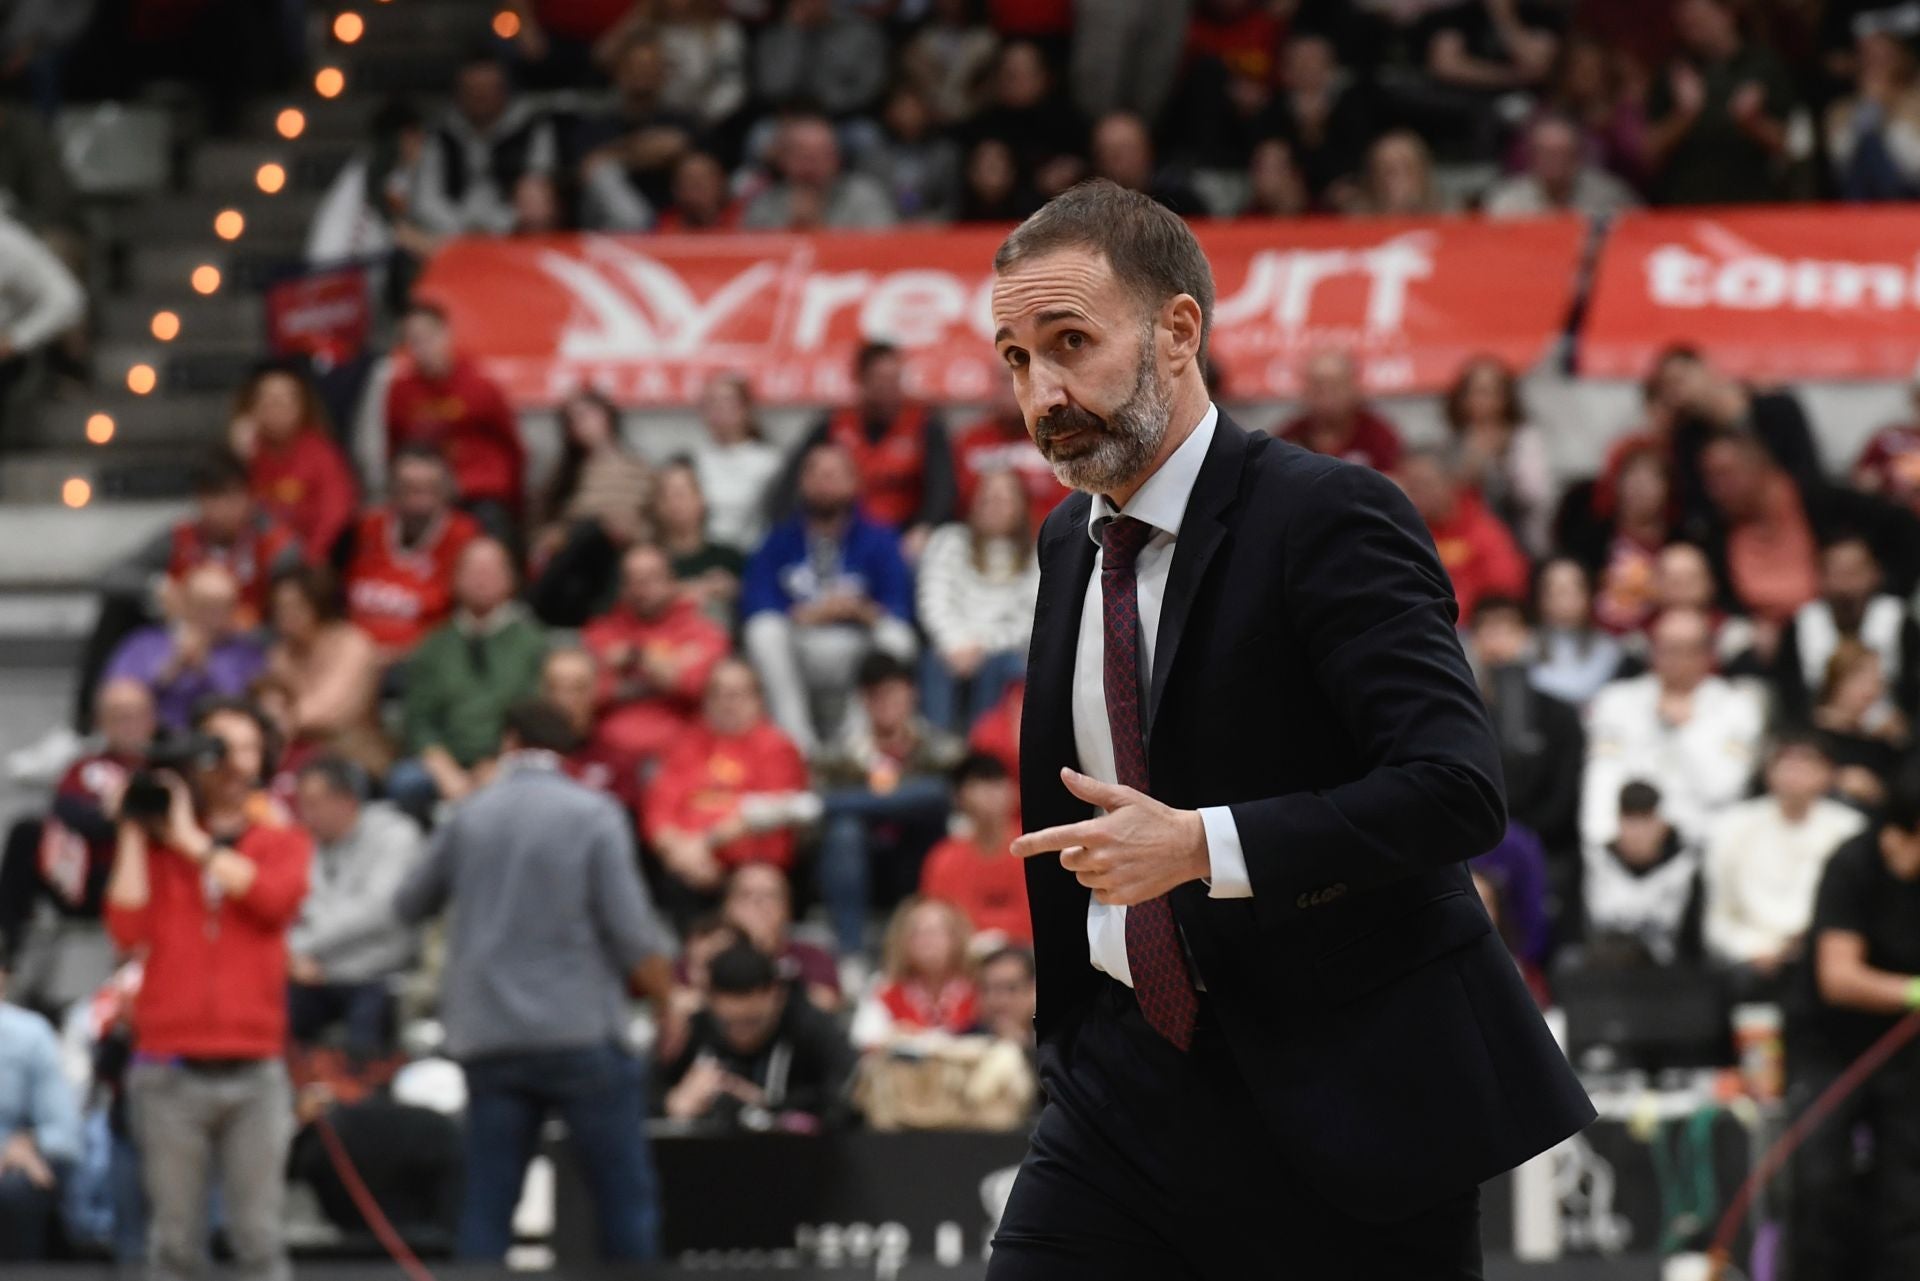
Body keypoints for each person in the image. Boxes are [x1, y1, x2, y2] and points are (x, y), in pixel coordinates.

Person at [985, 180, 1590, 1279]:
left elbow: (1455, 788)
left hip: (1342, 1081)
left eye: (1070, 341)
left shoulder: (1328, 515)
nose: (1043, 392)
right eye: (1017, 358)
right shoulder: (1068, 544)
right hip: (1121, 1079)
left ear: (1179, 331)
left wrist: (1203, 846)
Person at [394, 699, 676, 1263]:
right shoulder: (594, 814)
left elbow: (408, 903)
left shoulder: (471, 814)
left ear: (508, 742)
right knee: (623, 1199)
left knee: (487, 1206)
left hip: (491, 1037)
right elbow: (630, 932)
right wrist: (669, 1003)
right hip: (581, 1035)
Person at [105, 698, 313, 1281]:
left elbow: (273, 900)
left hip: (254, 1068)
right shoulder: (155, 842)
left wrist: (188, 838)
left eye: (246, 748)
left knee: (258, 1238)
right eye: (218, 747)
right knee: (173, 1244)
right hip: (170, 1065)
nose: (231, 763)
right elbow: (126, 928)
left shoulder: (281, 838)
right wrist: (133, 827)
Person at [1787, 765, 1920, 1281]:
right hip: (1830, 1045)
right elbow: (1838, 977)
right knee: (1821, 1178)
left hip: (1904, 1050)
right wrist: (1912, 991)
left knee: (1906, 1188)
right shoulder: (1852, 864)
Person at [742, 441, 918, 756]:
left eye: (834, 474)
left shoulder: (880, 537)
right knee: (762, 630)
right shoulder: (779, 539)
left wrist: (859, 610)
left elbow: (899, 606)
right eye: (816, 474)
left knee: (899, 637)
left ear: (854, 482)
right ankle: (796, 745)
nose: (825, 482)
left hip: (857, 644)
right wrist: (809, 614)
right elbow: (756, 601)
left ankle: (854, 745)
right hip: (802, 643)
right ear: (802, 482)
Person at [0, 679, 154, 1006]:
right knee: (27, 832)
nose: (128, 725)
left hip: (150, 881)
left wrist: (121, 814)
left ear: (151, 718)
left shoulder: (166, 766)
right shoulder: (87, 767)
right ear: (101, 722)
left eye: (134, 715)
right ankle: (8, 955)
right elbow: (65, 811)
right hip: (89, 877)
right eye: (117, 716)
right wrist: (122, 815)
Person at [812, 653, 963, 956]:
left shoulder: (940, 749)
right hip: (863, 863)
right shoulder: (839, 757)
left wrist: (850, 802)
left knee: (931, 798)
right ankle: (850, 953)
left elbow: (946, 795)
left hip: (920, 855)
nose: (886, 703)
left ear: (912, 694)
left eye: (893, 692)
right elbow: (816, 811)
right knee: (844, 831)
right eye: (876, 696)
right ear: (863, 701)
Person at [1581, 606, 1765, 853]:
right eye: (1667, 648)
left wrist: (1685, 729)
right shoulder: (1616, 700)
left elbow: (1724, 786)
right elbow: (1602, 776)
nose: (1676, 659)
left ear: (1707, 654)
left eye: (1688, 650)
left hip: (1704, 844)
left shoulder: (1738, 707)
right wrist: (1604, 839)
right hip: (1625, 845)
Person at [393, 539, 548, 815]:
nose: (481, 580)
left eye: (490, 571)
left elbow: (535, 713)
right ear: (455, 580)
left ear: (510, 579)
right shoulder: (434, 645)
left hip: (510, 758)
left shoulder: (533, 644)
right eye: (473, 571)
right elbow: (418, 719)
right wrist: (443, 769)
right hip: (443, 763)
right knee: (406, 783)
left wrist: (497, 762)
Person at [643, 659, 814, 908]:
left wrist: (703, 845)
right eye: (718, 693)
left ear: (758, 700)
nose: (727, 703)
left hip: (752, 866)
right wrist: (680, 853)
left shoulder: (777, 747)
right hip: (689, 864)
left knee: (755, 887)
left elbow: (766, 812)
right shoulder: (685, 742)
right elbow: (659, 812)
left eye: (737, 694)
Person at [288, 757, 424, 1061]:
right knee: (275, 1017)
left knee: (365, 1045)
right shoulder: (303, 841)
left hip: (378, 975)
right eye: (302, 804)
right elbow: (295, 906)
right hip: (315, 975)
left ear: (346, 800)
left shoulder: (396, 835)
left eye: (314, 803)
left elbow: (377, 911)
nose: (305, 814)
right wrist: (291, 958)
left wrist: (294, 948)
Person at [1704, 734, 1865, 986]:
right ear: (1768, 771)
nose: (1795, 773)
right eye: (1786, 763)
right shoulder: (1731, 826)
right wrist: (1753, 949)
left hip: (1824, 952)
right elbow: (1719, 915)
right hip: (1750, 959)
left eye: (1807, 764)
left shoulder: (1851, 829)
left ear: (1828, 774)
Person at [774, 342, 958, 549]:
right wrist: (788, 526)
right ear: (861, 380)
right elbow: (792, 480)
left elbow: (943, 488)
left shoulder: (925, 424)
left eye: (894, 379)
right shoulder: (834, 425)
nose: (888, 389)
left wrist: (925, 527)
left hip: (905, 535)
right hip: (844, 536)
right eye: (880, 380)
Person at [659, 940, 855, 1131]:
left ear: (776, 996)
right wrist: (672, 1102)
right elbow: (642, 1091)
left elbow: (845, 1097)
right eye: (728, 1023)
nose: (740, 1034)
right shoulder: (694, 1028)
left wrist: (765, 1103)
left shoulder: (810, 1026)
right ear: (710, 1001)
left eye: (752, 1021)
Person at [384, 301, 527, 541]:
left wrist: (513, 502)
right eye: (414, 341)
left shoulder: (480, 385)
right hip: (423, 494)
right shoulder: (400, 392)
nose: (422, 348)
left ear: (446, 335)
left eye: (428, 336)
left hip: (479, 493)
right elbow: (395, 451)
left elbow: (511, 448)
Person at [581, 542, 731, 767]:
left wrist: (635, 656)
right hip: (609, 756)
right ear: (622, 588)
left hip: (681, 756)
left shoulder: (703, 631)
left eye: (652, 578)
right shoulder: (600, 632)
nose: (642, 588)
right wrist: (664, 672)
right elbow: (585, 692)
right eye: (633, 580)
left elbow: (695, 685)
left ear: (672, 582)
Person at [917, 470, 1040, 731]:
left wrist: (983, 647)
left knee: (1002, 665)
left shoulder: (1037, 555)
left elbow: (1032, 618)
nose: (994, 506)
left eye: (1003, 499)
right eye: (987, 498)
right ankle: (940, 746)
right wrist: (955, 643)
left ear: (1021, 506)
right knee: (933, 660)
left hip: (1005, 651)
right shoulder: (948, 540)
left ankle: (983, 744)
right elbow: (934, 600)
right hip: (952, 646)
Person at [1467, 598, 1584, 860]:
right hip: (1475, 847)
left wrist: (1520, 841)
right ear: (1473, 640)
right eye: (1487, 629)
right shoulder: (1461, 713)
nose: (1497, 641)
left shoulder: (1558, 714)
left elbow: (1564, 795)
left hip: (1545, 848)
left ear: (1527, 637)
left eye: (1507, 628)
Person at [1645, 0, 1793, 206]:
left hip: (1752, 203)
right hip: (1685, 204)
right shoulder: (1675, 69)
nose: (1691, 28)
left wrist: (1753, 122)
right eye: (1686, 23)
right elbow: (1649, 150)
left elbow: (1788, 146)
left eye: (1699, 19)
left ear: (1727, 14)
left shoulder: (1763, 67)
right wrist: (1684, 115)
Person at [343, 447, 482, 664]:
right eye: (409, 488)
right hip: (353, 655)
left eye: (429, 489)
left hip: (424, 662)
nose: (418, 500)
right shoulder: (366, 528)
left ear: (446, 491)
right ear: (392, 490)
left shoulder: (463, 537)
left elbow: (473, 616)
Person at [1774, 535, 1920, 730]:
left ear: (1875, 573)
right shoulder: (1801, 624)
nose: (1846, 585)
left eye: (1854, 572)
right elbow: (1789, 697)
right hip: (1822, 732)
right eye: (1837, 573)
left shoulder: (1899, 621)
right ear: (1819, 577)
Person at [104, 564, 267, 733]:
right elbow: (115, 699)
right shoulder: (144, 643)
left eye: (222, 606)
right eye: (204, 605)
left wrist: (205, 670)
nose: (213, 616)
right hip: (153, 745)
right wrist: (171, 668)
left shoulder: (247, 653)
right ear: (185, 603)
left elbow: (252, 710)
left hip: (219, 745)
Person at [413, 49, 559, 236]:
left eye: (489, 90)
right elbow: (426, 198)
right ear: (459, 93)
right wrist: (461, 230)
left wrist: (497, 227)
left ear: (504, 90)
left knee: (536, 196)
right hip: (450, 235)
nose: (481, 98)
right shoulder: (440, 134)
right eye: (473, 91)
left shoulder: (530, 128)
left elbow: (539, 184)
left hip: (513, 230)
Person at [229, 365, 359, 565]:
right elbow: (229, 515)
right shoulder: (244, 452)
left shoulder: (321, 452)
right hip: (251, 561)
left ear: (302, 406)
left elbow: (335, 512)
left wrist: (311, 559)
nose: (275, 408)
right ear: (251, 406)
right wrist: (238, 460)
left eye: (284, 400)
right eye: (267, 400)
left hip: (308, 560)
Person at [264, 566, 385, 776]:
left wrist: (275, 722)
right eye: (279, 607)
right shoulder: (281, 653)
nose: (284, 615)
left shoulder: (352, 644)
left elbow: (331, 711)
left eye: (293, 606)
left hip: (351, 752)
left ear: (318, 604)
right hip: (293, 750)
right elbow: (268, 700)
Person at [1392, 445, 1532, 626]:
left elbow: (1506, 588)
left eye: (1424, 484)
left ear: (1450, 481)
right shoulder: (1401, 533)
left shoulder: (1483, 529)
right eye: (1409, 487)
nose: (1416, 495)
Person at [165, 451, 303, 629]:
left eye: (231, 497)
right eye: (212, 498)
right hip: (188, 640)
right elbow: (120, 575)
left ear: (251, 498)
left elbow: (295, 622)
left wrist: (235, 632)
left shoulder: (277, 547)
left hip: (257, 647)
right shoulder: (181, 537)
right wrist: (159, 588)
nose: (221, 510)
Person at [576, 32, 697, 229]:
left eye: (649, 67)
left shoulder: (680, 120)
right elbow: (589, 169)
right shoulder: (597, 125)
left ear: (662, 74)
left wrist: (617, 155)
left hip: (671, 225)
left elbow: (672, 145)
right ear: (619, 72)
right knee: (602, 174)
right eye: (634, 67)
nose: (641, 74)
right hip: (610, 229)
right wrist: (644, 152)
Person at [0, 971, 80, 1261]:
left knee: (16, 1190)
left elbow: (65, 1132)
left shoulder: (29, 1034)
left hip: (13, 1164)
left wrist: (24, 1144)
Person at [1581, 781, 1704, 967]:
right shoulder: (1596, 861)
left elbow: (1694, 944)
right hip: (1604, 972)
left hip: (1668, 977)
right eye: (1630, 820)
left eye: (1646, 820)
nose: (1637, 833)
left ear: (1662, 825)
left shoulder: (1685, 867)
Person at [1443, 354, 1555, 558]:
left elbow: (1536, 495)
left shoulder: (1524, 440)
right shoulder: (1452, 444)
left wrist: (1502, 463)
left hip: (1520, 543)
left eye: (1490, 392)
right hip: (1466, 546)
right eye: (1474, 392)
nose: (1483, 401)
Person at [530, 388, 650, 572]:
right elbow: (543, 534)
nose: (580, 423)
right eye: (572, 420)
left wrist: (627, 531)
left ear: (606, 414)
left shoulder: (640, 470)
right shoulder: (563, 477)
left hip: (626, 562)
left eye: (586, 414)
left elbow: (656, 527)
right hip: (576, 564)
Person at [920, 752, 1032, 944]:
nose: (989, 793)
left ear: (1013, 791)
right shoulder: (943, 859)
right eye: (979, 784)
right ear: (958, 798)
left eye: (996, 782)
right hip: (968, 960)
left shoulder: (1034, 845)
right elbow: (941, 926)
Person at [850, 897, 980, 1048]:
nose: (927, 940)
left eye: (935, 932)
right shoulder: (885, 987)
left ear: (957, 938)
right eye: (917, 933)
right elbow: (866, 1040)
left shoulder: (980, 986)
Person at [539, 647, 644, 827]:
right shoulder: (523, 757)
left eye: (578, 688)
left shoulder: (617, 760)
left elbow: (621, 826)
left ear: (595, 691)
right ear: (542, 693)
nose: (566, 700)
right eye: (555, 688)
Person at [952, 375, 1072, 532]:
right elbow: (955, 503)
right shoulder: (969, 440)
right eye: (1004, 380)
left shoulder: (1062, 439)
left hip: (1054, 538)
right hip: (979, 544)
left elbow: (1076, 506)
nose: (1012, 389)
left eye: (1020, 378)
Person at [740, 113, 897, 232]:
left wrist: (815, 227)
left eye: (821, 154)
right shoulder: (764, 204)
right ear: (783, 160)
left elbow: (883, 250)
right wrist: (795, 226)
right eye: (801, 154)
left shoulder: (864, 197)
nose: (811, 164)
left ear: (837, 159)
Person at [719, 862, 841, 1012]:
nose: (758, 904)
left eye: (769, 896)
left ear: (787, 909)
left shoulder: (813, 957)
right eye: (746, 895)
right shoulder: (707, 953)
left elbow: (825, 1002)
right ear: (727, 907)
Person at [1484, 112, 1641, 219]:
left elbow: (1637, 237)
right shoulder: (1507, 202)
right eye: (1545, 153)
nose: (1553, 160)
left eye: (1562, 153)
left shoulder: (1612, 197)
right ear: (1532, 157)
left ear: (1578, 156)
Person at [689, 371, 781, 554]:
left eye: (728, 402)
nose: (720, 411)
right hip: (704, 558)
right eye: (712, 403)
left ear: (746, 409)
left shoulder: (770, 462)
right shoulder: (693, 460)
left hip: (752, 556)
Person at [752, 0, 889, 121]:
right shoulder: (774, 36)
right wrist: (792, 31)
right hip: (784, 118)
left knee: (863, 136)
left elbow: (869, 87)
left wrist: (827, 107)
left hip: (844, 119)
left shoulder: (861, 32)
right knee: (761, 136)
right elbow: (772, 87)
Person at [1826, 25, 1920, 200]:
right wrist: (1870, 108)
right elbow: (1843, 164)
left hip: (1909, 202)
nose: (1877, 66)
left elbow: (1915, 164)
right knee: (1869, 145)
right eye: (1869, 58)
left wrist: (1889, 112)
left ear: (1901, 60)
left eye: (1884, 58)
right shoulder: (1840, 109)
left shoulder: (1916, 102)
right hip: (1859, 204)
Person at [651, 460, 747, 628]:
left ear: (701, 499)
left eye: (681, 494)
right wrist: (687, 591)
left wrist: (733, 588)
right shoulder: (645, 560)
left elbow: (758, 601)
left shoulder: (730, 557)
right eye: (666, 496)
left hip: (715, 645)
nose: (675, 504)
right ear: (656, 506)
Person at [1276, 347, 1403, 472]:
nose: (1326, 395)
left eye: (1335, 386)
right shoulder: (1288, 439)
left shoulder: (1378, 436)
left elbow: (1394, 484)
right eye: (1318, 386)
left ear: (1354, 388)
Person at [1530, 557, 1625, 710]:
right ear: (1541, 597)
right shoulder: (1522, 645)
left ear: (1588, 595)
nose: (1565, 598)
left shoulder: (1609, 648)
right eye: (1557, 590)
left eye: (1574, 588)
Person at [1086, 111, 1207, 216]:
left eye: (1126, 149)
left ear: (1147, 151)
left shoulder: (1179, 203)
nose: (1117, 159)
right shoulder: (1086, 206)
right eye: (1108, 151)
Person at [974, 944, 1038, 1047]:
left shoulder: (1056, 1047)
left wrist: (1022, 1046)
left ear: (1033, 990)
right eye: (986, 989)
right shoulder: (966, 1041)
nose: (996, 1001)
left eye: (1010, 988)